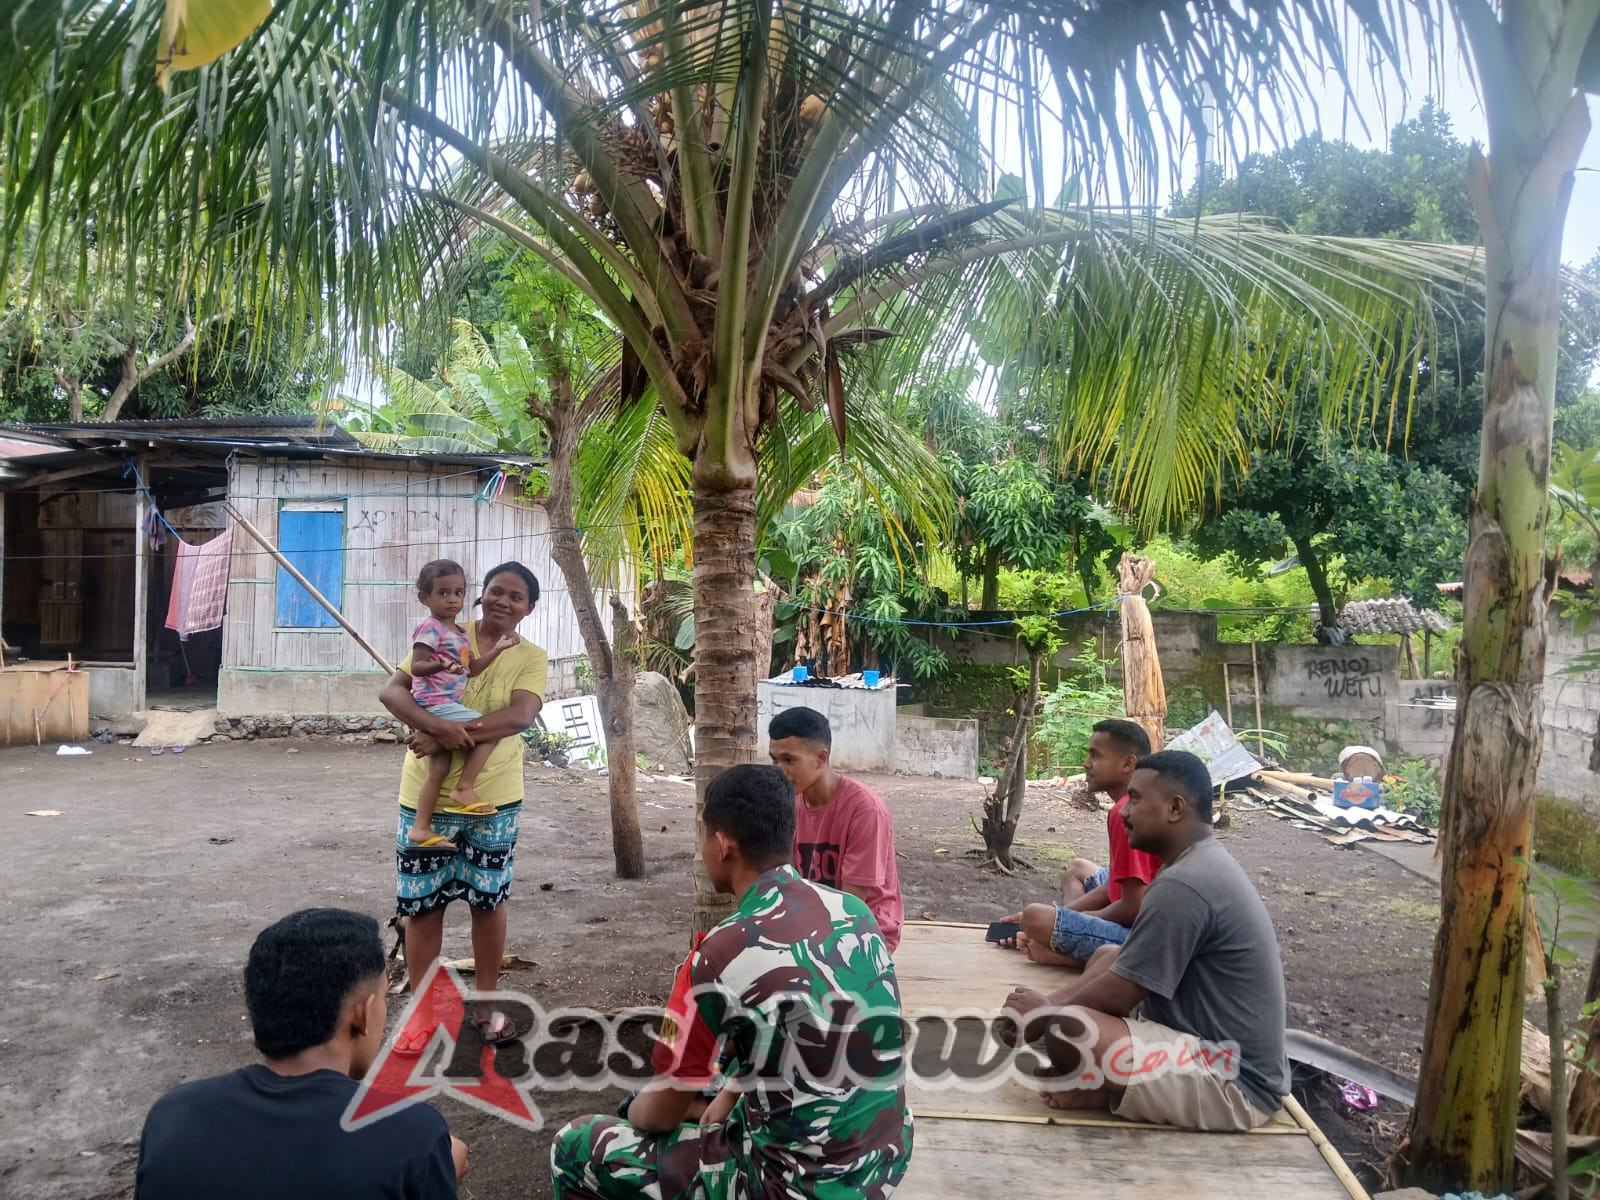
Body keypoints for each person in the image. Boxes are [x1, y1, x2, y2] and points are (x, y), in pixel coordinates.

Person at [549, 764, 914, 1200]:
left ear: (723, 846)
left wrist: (636, 1113)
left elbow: (662, 1115)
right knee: (732, 1064)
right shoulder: (855, 912)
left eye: (704, 837)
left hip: (790, 1187)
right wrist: (731, 1092)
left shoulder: (715, 955)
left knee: (576, 1145)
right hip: (884, 1159)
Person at [1000, 750, 1291, 1132]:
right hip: (1204, 1040)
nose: (1124, 811)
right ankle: (1113, 1092)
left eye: (1136, 799)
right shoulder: (1195, 864)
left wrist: (1044, 1011)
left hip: (1234, 1083)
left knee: (1070, 1029)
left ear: (1174, 808)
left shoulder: (1185, 883)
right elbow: (1124, 971)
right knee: (1107, 954)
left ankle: (1107, 1090)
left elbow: (1121, 994)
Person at [135, 908, 468, 1199]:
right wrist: (428, 1163)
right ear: (362, 1014)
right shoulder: (412, 1135)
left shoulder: (174, 1115)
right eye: (382, 999)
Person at [379, 562, 546, 1052]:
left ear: (529, 608)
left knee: (487, 903)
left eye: (515, 597)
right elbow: (392, 690)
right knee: (422, 908)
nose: (502, 601)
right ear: (477, 596)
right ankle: (422, 1014)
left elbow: (519, 716)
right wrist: (436, 729)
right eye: (494, 591)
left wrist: (446, 733)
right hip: (423, 801)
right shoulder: (445, 630)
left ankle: (488, 1007)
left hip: (492, 801)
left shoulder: (530, 656)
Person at [999, 719, 1160, 966]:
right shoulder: (1129, 805)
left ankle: (1068, 955)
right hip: (1149, 909)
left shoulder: (1126, 812)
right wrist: (1066, 918)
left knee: (1034, 917)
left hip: (1147, 936)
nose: (1086, 764)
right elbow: (1116, 884)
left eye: (1095, 756)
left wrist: (1064, 923)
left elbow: (1134, 907)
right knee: (1078, 869)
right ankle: (1062, 940)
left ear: (1128, 763)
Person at [767, 706, 905, 951]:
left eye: (789, 760)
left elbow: (850, 907)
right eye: (774, 760)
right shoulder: (788, 804)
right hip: (811, 924)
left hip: (864, 931)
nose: (779, 770)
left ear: (821, 758)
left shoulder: (865, 810)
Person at [405, 558, 519, 848]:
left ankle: (421, 827)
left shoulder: (459, 634)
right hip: (434, 702)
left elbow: (473, 669)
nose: (452, 599)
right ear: (424, 598)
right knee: (486, 731)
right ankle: (464, 788)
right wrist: (439, 664)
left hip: (442, 704)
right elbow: (417, 667)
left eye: (458, 592)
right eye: (443, 593)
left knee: (438, 771)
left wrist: (499, 648)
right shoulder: (431, 629)